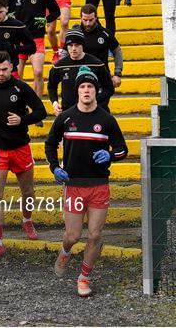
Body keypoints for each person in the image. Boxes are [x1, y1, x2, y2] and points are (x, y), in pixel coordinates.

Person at [45, 66, 128, 297]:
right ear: (77, 90)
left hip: (99, 185)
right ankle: (65, 251)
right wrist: (55, 168)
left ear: (96, 90)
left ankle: (84, 277)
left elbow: (123, 149)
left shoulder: (107, 119)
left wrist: (110, 155)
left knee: (94, 235)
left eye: (90, 86)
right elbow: (50, 145)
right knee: (73, 236)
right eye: (82, 86)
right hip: (74, 185)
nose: (86, 90)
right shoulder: (65, 117)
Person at [0, 51, 47, 262]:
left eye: (4, 69)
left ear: (11, 67)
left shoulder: (21, 87)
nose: (0, 74)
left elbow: (41, 111)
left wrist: (23, 119)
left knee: (28, 190)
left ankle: (27, 220)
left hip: (20, 148)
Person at [6, 0, 60, 100]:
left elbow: (56, 11)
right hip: (18, 41)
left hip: (36, 38)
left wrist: (46, 20)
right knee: (16, 75)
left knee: (38, 71)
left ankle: (38, 106)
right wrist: (9, 18)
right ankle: (19, 104)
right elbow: (2, 13)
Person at [48, 28, 114, 114]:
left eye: (77, 45)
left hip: (94, 112)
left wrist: (96, 101)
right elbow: (51, 87)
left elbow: (109, 88)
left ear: (83, 45)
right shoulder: (59, 66)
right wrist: (55, 102)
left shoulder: (97, 64)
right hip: (68, 112)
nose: (73, 48)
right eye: (70, 45)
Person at [75, 4, 123, 88]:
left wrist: (117, 73)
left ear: (96, 18)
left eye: (91, 20)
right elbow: (65, 52)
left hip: (102, 77)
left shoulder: (105, 33)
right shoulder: (75, 34)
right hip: (80, 77)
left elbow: (117, 51)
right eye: (85, 20)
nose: (87, 23)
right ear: (80, 18)